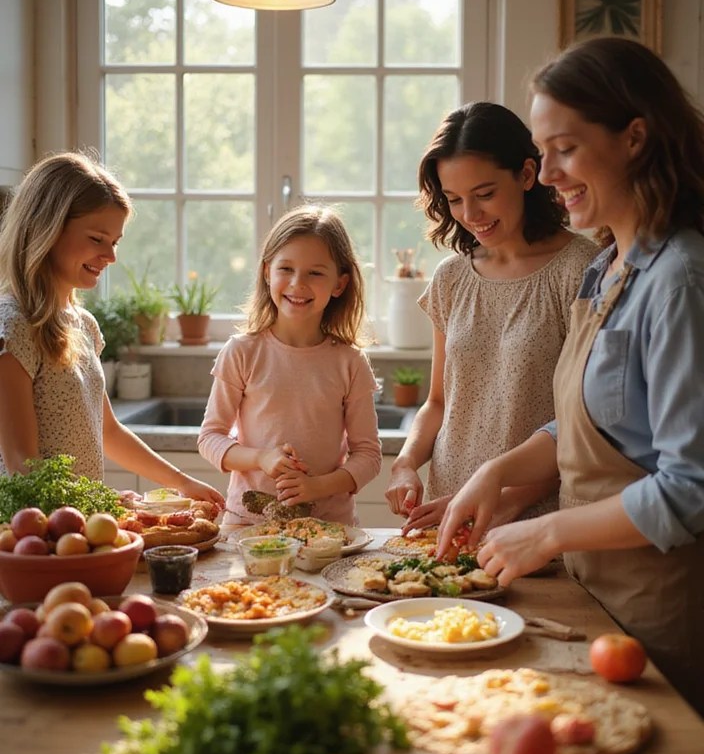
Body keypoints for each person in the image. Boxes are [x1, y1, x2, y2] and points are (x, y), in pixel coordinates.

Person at [438, 38, 704, 716]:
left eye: (565, 148)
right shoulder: (606, 268)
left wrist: (549, 531)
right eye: (542, 151)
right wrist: (495, 471)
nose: (547, 173)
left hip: (657, 615)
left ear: (635, 138)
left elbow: (690, 490)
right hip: (594, 596)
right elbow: (587, 423)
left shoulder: (679, 282)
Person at [385, 102, 597, 532]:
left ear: (525, 174)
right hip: (446, 510)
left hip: (534, 519)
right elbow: (439, 402)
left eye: (484, 194)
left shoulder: (582, 270)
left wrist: (507, 500)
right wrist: (405, 464)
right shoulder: (451, 277)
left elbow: (587, 424)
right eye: (454, 199)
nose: (470, 215)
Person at [0, 150, 225, 509]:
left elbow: (108, 431)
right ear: (47, 229)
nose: (111, 256)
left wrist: (181, 482)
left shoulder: (82, 325)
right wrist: (102, 503)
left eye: (115, 242)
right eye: (96, 239)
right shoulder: (12, 327)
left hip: (79, 529)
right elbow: (23, 467)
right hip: (33, 539)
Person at [198, 205, 381, 528]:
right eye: (286, 269)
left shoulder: (350, 362)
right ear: (267, 272)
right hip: (247, 527)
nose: (298, 284)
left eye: (315, 273)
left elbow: (368, 456)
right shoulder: (241, 352)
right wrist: (261, 458)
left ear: (339, 284)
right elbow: (210, 438)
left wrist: (317, 486)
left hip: (330, 529)